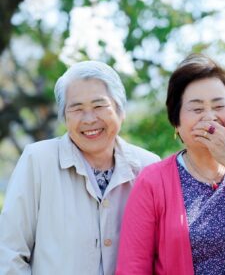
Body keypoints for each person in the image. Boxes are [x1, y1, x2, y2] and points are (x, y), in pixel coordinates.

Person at [0, 61, 160, 274]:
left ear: (120, 110)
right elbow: (9, 252)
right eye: (76, 109)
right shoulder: (38, 160)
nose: (89, 119)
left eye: (99, 106)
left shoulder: (148, 167)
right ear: (64, 117)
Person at [116, 53, 225, 274]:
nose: (209, 117)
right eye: (196, 109)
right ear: (176, 123)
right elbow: (133, 267)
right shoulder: (153, 181)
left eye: (218, 106)